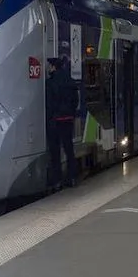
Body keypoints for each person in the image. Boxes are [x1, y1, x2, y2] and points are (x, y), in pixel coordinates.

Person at [45, 56, 79, 191]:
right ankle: (72, 178)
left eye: (50, 66)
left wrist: (51, 117)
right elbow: (75, 101)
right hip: (68, 120)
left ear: (53, 67)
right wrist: (70, 114)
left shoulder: (50, 83)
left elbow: (49, 104)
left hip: (55, 121)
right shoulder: (70, 82)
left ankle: (57, 180)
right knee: (69, 149)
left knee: (55, 152)